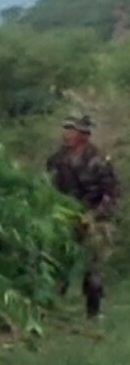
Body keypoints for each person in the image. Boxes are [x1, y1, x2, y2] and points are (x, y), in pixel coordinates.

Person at [46, 114, 120, 319]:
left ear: (84, 135)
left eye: (72, 130)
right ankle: (52, 309)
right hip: (64, 216)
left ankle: (94, 312)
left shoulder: (98, 160)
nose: (66, 134)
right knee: (57, 263)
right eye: (66, 129)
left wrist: (93, 216)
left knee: (92, 267)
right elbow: (49, 190)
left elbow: (111, 193)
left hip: (95, 218)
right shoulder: (56, 160)